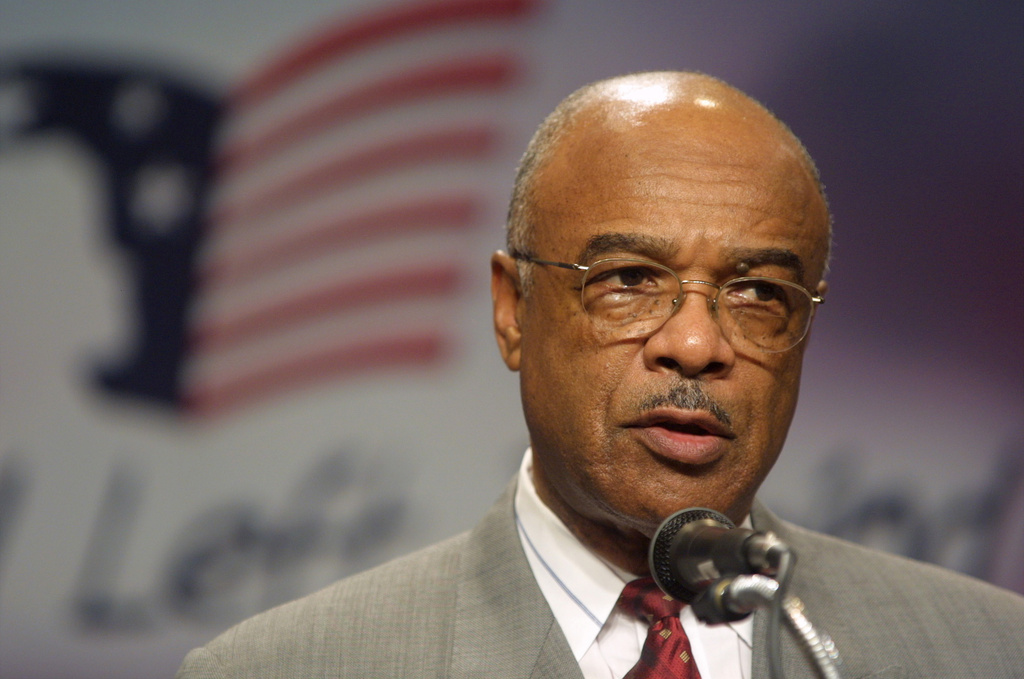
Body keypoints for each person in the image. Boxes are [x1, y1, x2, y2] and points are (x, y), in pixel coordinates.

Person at [176, 71, 1024, 678]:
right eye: (628, 280)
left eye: (758, 292)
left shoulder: (988, 651)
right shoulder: (286, 668)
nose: (696, 344)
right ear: (514, 309)